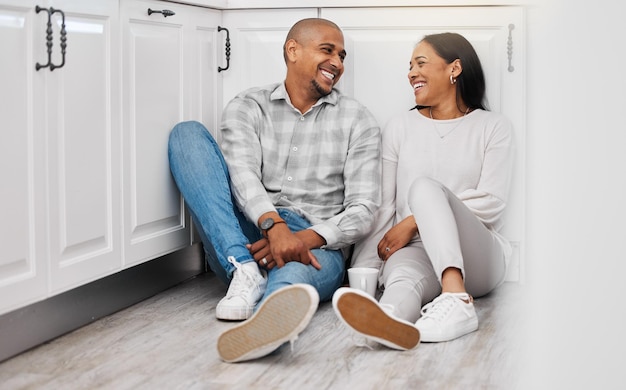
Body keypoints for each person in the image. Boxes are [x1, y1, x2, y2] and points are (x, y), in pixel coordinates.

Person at [167, 18, 381, 362]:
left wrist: (302, 238)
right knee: (186, 135)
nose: (338, 64)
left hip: (315, 243)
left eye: (342, 56)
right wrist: (273, 226)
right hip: (244, 237)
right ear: (292, 50)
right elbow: (242, 175)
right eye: (327, 51)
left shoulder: (359, 120)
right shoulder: (248, 106)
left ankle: (268, 326)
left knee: (291, 281)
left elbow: (364, 207)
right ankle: (245, 271)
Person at [332, 32, 514, 349]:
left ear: (454, 69)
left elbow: (492, 202)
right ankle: (387, 320)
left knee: (424, 188)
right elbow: (385, 207)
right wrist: (366, 271)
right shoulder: (400, 127)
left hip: (479, 256)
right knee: (400, 284)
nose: (411, 73)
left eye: (421, 63)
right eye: (410, 65)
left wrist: (414, 221)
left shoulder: (493, 127)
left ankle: (457, 297)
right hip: (417, 252)